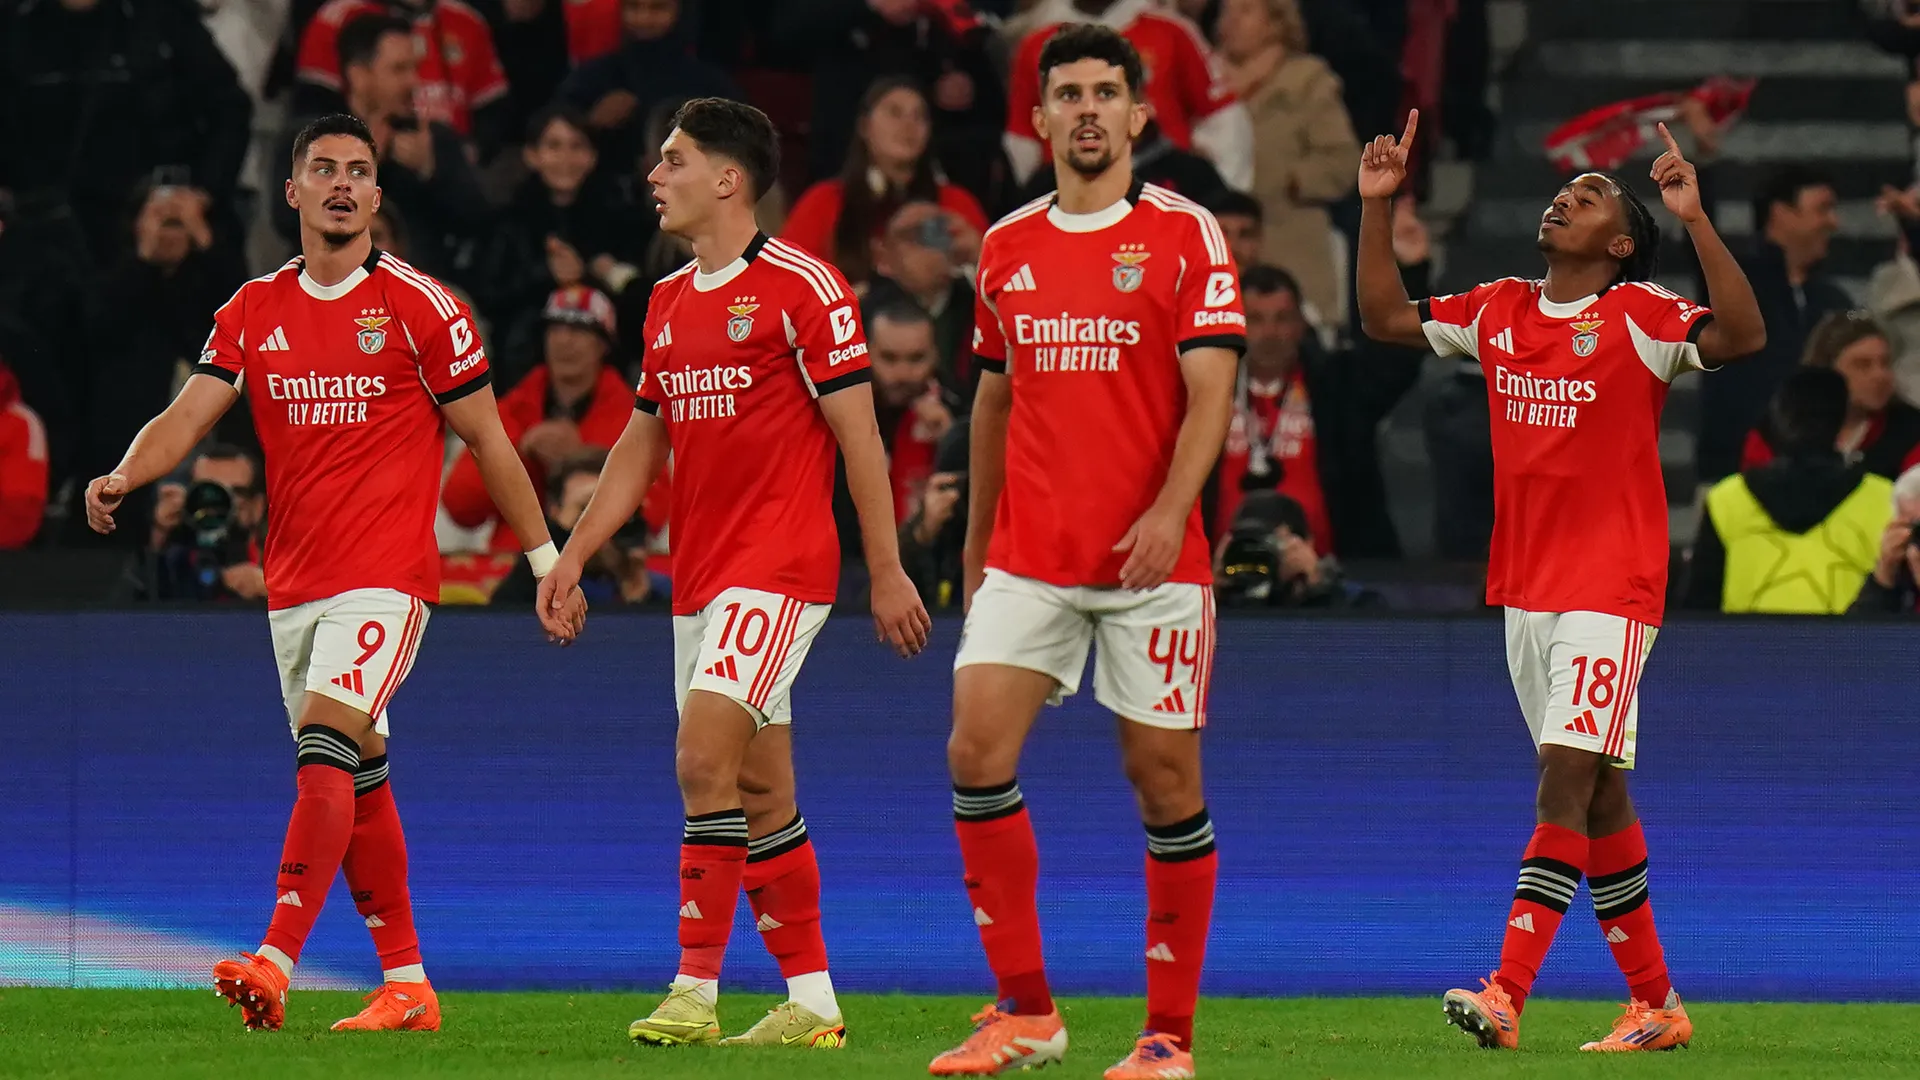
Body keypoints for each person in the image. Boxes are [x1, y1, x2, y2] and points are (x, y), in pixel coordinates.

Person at [82, 113, 576, 1034]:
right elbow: (188, 416)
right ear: (294, 193)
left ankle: (275, 954)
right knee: (359, 775)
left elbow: (490, 442)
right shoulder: (253, 308)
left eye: (358, 171)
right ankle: (407, 985)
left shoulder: (423, 306)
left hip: (387, 578)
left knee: (325, 747)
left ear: (378, 197)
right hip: (294, 585)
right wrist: (124, 470)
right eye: (324, 169)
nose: (342, 183)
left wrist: (548, 559)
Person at [1355, 112, 1766, 1052]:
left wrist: (1696, 220)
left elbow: (1742, 334)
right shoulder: (1499, 307)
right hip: (1527, 589)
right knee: (1601, 797)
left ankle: (1506, 991)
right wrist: (1377, 208)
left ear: (1619, 245)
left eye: (1587, 199)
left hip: (1613, 586)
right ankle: (1656, 1004)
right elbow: (1385, 319)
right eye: (1562, 191)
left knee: (1562, 782)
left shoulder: (1642, 315)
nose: (1563, 197)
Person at [536, 97, 931, 1050]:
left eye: (673, 159)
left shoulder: (806, 288)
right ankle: (815, 1007)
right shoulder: (668, 301)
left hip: (781, 569)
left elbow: (860, 437)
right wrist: (572, 555)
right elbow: (641, 443)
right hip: (700, 578)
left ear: (729, 178)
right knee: (761, 794)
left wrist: (887, 570)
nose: (654, 176)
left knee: (700, 761)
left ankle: (693, 990)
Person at [932, 25, 1244, 1080]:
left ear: (1140, 116)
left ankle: (1168, 1038)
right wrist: (977, 544)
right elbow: (992, 397)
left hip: (1156, 568)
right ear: (1039, 119)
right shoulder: (1006, 244)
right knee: (976, 752)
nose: (1088, 110)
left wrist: (1170, 511)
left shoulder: (1187, 232)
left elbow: (1213, 392)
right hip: (1031, 556)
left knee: (1162, 783)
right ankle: (1027, 1012)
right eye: (1067, 93)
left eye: (1107, 92)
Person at [1685, 367, 1893, 614]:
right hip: (1852, 650)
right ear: (1841, 421)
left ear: (1779, 419)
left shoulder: (1727, 499)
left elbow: (1697, 607)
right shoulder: (1884, 498)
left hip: (1744, 650)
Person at [780, 78, 988, 288]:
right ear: (864, 126)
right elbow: (785, 284)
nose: (909, 125)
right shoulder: (824, 201)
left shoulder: (955, 202)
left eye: (919, 117)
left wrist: (976, 257)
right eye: (895, 113)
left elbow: (997, 283)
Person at [1739, 310, 1920, 481]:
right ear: (1825, 372)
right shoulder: (1776, 431)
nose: (1880, 375)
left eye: (1885, 363)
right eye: (1862, 365)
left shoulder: (1911, 433)